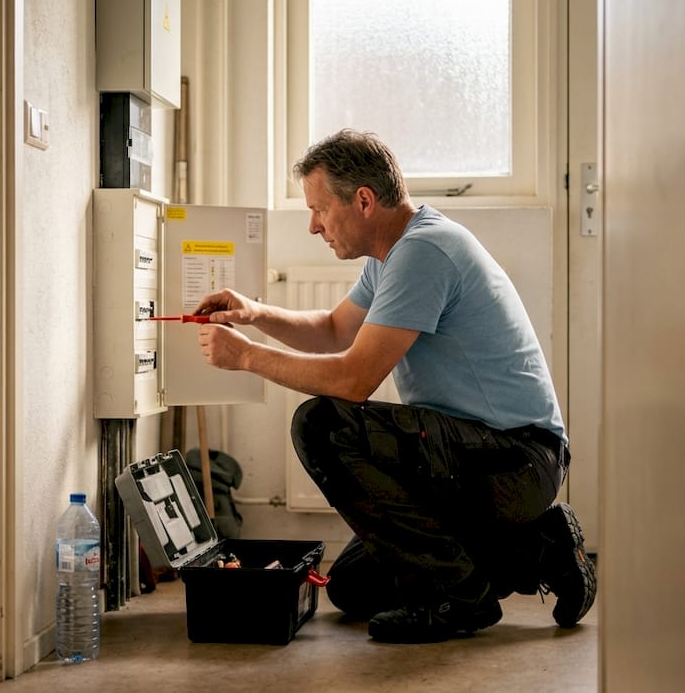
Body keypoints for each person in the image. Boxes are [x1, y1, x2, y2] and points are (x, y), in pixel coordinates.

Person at [192, 129, 596, 644]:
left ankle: (463, 599)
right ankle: (543, 548)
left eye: (318, 209)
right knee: (353, 587)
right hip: (475, 456)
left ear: (362, 201)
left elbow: (354, 380)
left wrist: (246, 355)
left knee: (321, 424)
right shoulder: (392, 254)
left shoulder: (425, 251)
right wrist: (254, 312)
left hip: (516, 458)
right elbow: (336, 329)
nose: (314, 226)